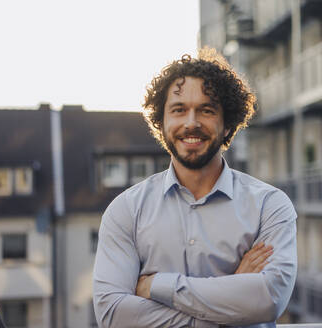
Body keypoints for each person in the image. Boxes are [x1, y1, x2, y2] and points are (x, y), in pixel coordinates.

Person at [93, 48, 297, 328]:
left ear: (227, 125)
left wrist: (157, 287)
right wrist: (233, 298)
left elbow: (269, 300)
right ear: (161, 123)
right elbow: (114, 316)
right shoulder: (126, 210)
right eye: (179, 110)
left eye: (206, 110)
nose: (191, 122)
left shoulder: (269, 206)